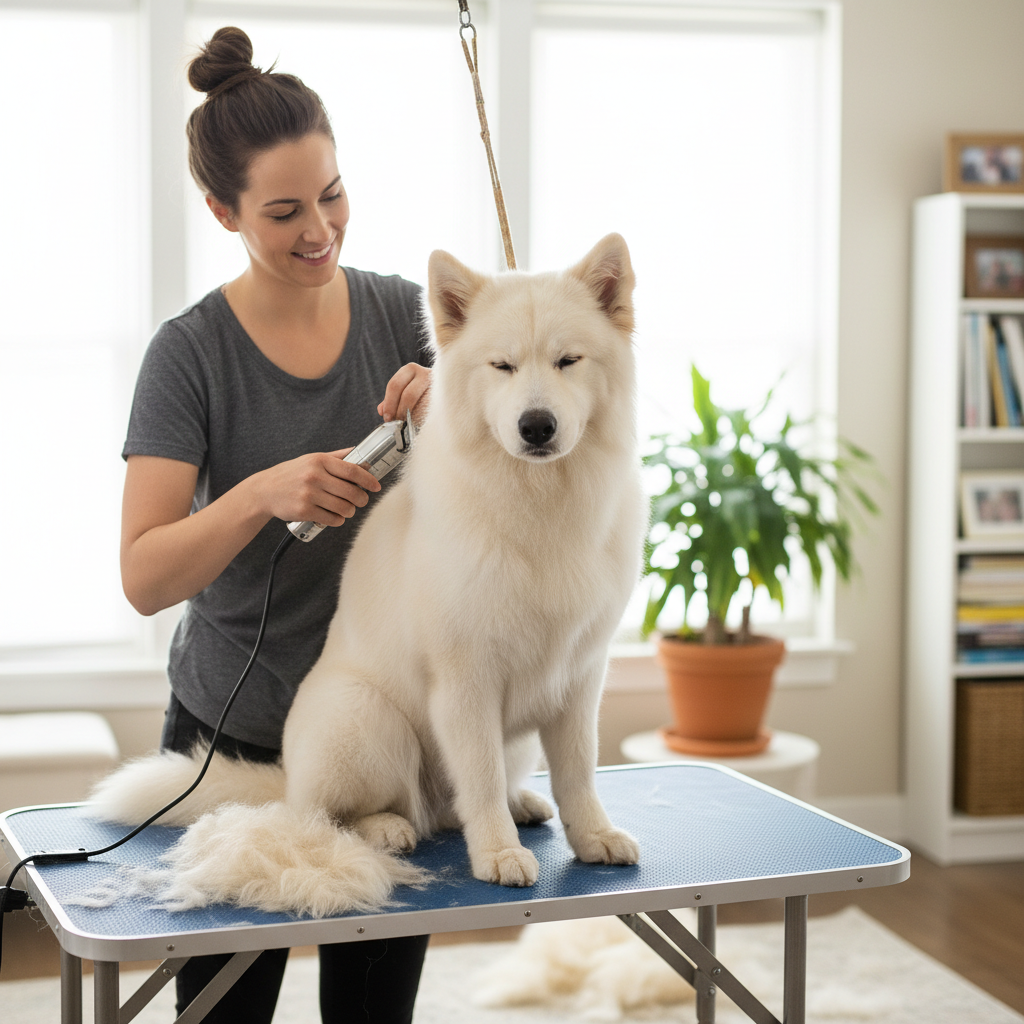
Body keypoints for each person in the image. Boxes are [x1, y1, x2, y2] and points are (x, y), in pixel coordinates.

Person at [120, 26, 432, 1024]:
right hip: (236, 745)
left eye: (332, 194)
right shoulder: (189, 356)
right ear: (222, 210)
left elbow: (513, 483)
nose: (320, 230)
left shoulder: (400, 316)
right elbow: (143, 574)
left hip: (384, 749)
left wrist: (463, 401)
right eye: (285, 211)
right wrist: (259, 493)